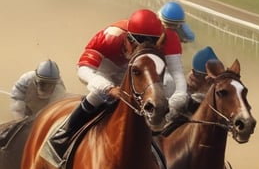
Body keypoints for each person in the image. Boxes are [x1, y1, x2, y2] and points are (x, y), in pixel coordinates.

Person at [48, 8, 189, 160]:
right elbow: (84, 69)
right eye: (138, 45)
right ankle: (64, 134)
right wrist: (108, 88)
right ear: (128, 39)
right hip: (107, 70)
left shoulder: (169, 37)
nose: (143, 50)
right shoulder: (111, 35)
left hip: (140, 71)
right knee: (98, 95)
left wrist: (178, 98)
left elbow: (177, 74)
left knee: (167, 83)